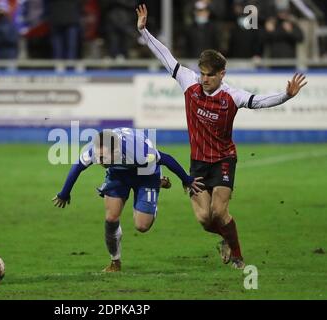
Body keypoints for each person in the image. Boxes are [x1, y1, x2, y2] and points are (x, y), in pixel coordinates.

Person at [136, 4, 307, 269]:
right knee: (205, 220)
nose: (204, 79)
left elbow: (259, 101)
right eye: (202, 74)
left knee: (219, 211)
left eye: (209, 75)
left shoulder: (232, 96)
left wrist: (286, 95)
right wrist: (144, 31)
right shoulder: (189, 82)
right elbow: (166, 57)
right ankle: (226, 239)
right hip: (199, 162)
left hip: (225, 159)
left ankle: (237, 254)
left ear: (221, 75)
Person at [52, 128, 204, 272]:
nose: (98, 161)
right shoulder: (97, 150)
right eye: (98, 157)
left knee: (142, 226)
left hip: (146, 175)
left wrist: (187, 180)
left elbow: (166, 159)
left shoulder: (140, 152)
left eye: (103, 157)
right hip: (119, 174)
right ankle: (115, 261)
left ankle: (156, 186)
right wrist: (64, 193)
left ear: (116, 151)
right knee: (111, 218)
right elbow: (77, 167)